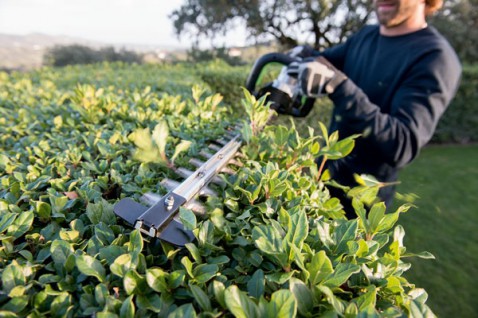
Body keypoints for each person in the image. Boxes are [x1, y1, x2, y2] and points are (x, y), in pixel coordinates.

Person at [290, 0, 461, 218]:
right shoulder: (366, 36)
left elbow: (402, 144)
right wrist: (304, 55)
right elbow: (325, 62)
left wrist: (339, 87)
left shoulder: (435, 57)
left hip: (357, 211)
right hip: (319, 183)